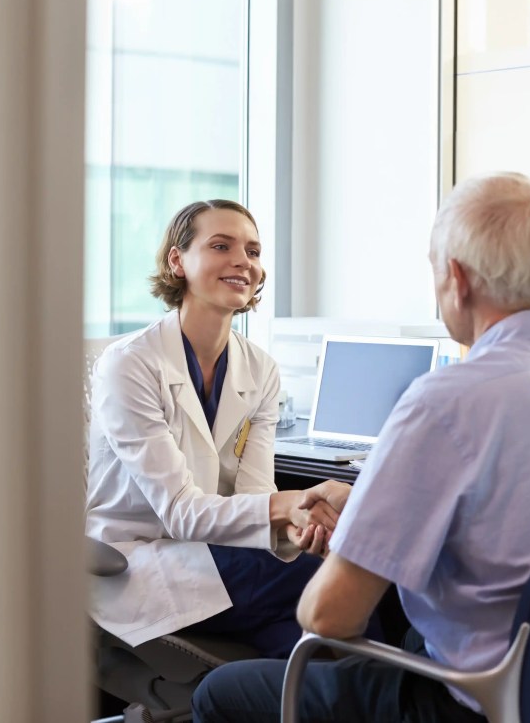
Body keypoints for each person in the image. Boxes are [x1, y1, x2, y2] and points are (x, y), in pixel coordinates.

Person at [192, 172, 530, 722]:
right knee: (410, 635)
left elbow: (329, 618)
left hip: (491, 705)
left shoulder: (447, 401)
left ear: (456, 279)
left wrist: (362, 532)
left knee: (223, 693)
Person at [86, 199, 349, 658]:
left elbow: (254, 494)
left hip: (224, 558)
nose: (242, 262)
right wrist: (289, 505)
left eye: (253, 251)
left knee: (324, 652)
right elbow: (182, 514)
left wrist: (301, 524)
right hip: (140, 563)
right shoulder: (131, 365)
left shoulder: (260, 369)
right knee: (344, 576)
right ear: (177, 261)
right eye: (221, 246)